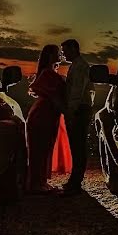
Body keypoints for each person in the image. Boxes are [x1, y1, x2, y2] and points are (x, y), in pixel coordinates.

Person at [25, 45, 67, 193]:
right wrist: (67, 110)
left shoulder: (48, 72)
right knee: (40, 149)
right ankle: (35, 185)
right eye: (57, 53)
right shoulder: (47, 73)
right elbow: (54, 97)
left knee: (44, 148)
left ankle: (40, 182)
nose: (60, 55)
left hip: (47, 114)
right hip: (43, 115)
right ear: (50, 55)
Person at [59, 38, 92, 195]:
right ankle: (75, 180)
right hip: (79, 109)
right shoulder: (77, 65)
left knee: (78, 145)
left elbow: (76, 92)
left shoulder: (79, 66)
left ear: (74, 49)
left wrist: (70, 111)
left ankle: (76, 182)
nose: (63, 54)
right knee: (77, 145)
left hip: (79, 110)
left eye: (65, 51)